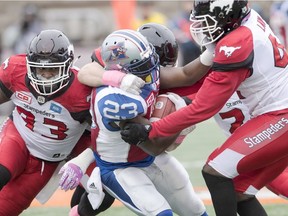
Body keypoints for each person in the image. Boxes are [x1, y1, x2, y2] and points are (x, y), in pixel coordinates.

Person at [119, 1, 288, 216]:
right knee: (239, 191)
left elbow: (203, 108)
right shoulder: (245, 21)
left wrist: (152, 130)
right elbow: (197, 81)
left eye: (208, 20)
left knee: (215, 172)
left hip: (279, 116)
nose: (200, 26)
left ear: (229, 16)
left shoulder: (236, 43)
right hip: (272, 115)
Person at [59, 29, 208, 216]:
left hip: (144, 156)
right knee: (159, 212)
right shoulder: (117, 97)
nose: (155, 68)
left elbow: (186, 75)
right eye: (144, 63)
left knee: (194, 209)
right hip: (118, 162)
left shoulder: (146, 71)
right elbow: (154, 145)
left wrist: (212, 53)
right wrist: (181, 116)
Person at [0, 29, 136, 215]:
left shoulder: (82, 92)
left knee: (103, 191)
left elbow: (107, 136)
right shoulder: (15, 69)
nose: (46, 76)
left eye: (53, 69)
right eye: (41, 69)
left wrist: (81, 160)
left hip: (47, 160)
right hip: (18, 137)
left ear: (67, 65)